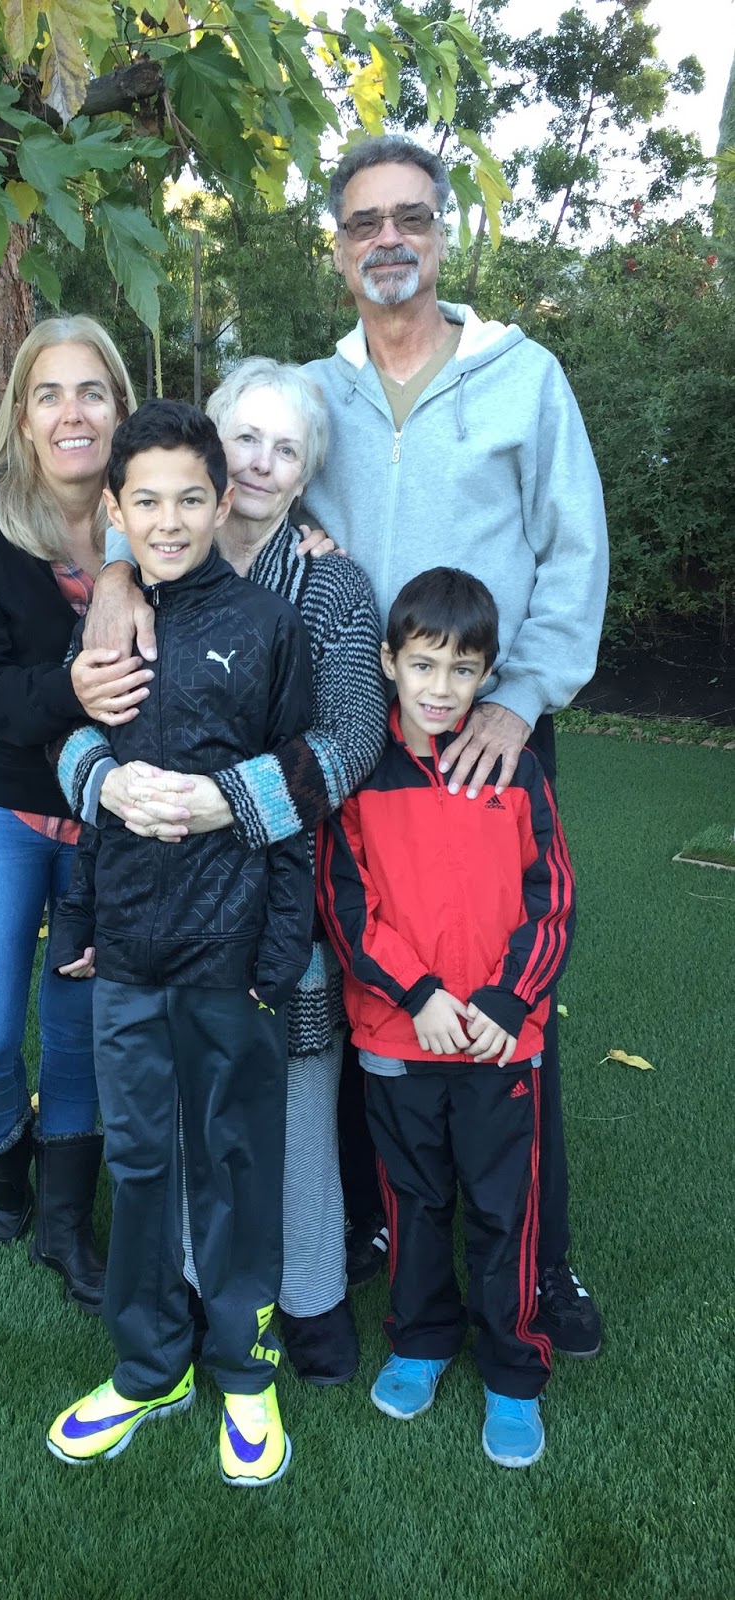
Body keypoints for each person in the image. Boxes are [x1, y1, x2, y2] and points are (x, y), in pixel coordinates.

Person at [78, 134, 609, 1356]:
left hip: (486, 731)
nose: (389, 239)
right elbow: (181, 496)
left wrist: (524, 697)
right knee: (381, 977)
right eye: (365, 221)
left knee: (508, 990)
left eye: (410, 217)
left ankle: (544, 1266)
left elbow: (574, 548)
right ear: (338, 246)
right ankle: (376, 1227)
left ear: (442, 233)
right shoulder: (311, 393)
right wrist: (113, 572)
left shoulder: (522, 377)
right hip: (362, 749)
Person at [57, 358, 386, 1385]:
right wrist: (115, 584)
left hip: (281, 885)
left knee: (290, 1092)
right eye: (246, 437)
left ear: (306, 475)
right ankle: (196, 1294)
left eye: (286, 449)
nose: (261, 462)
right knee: (173, 1113)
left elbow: (350, 740)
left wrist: (227, 801)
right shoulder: (138, 582)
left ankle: (311, 1292)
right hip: (156, 906)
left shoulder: (326, 587)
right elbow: (81, 722)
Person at [46, 400, 314, 1486]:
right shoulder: (102, 626)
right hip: (127, 957)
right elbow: (71, 759)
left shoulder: (269, 627)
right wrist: (85, 908)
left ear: (222, 499)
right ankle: (150, 1364)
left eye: (190, 499)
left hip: (230, 957)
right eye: (146, 501)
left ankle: (244, 1367)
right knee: (141, 1159)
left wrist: (277, 959)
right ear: (115, 508)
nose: (168, 521)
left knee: (235, 1162)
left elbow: (300, 794)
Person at [316, 567, 575, 1469]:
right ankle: (421, 1339)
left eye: (463, 670)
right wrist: (420, 996)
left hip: (502, 1042)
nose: (441, 687)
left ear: (487, 675)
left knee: (506, 1211)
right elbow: (345, 903)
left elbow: (551, 899)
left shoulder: (517, 769)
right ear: (389, 662)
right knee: (416, 1203)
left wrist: (506, 1001)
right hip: (401, 1039)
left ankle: (514, 1368)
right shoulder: (361, 773)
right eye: (423, 665)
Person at [0, 315, 136, 1315]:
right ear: (20, 414)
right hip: (2, 804)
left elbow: (249, 538)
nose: (72, 413)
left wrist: (306, 537)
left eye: (91, 391)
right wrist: (73, 689)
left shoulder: (151, 513)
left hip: (113, 817)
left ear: (119, 406)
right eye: (49, 393)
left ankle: (63, 1222)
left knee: (78, 1026)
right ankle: (2, 1147)